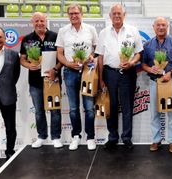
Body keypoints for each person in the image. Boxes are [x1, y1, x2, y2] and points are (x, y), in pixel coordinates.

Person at [95, 4, 143, 150]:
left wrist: (132, 63)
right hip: (109, 74)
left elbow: (138, 53)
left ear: (124, 15)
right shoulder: (103, 33)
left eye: (119, 13)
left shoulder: (133, 31)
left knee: (127, 106)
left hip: (128, 73)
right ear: (110, 16)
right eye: (114, 13)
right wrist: (101, 78)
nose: (116, 16)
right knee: (111, 106)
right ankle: (113, 137)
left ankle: (127, 137)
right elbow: (100, 57)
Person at [56, 4, 98, 151]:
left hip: (88, 71)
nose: (73, 16)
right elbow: (59, 53)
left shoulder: (90, 29)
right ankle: (76, 136)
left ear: (81, 14)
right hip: (69, 71)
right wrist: (68, 63)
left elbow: (96, 49)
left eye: (76, 13)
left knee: (89, 108)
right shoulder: (63, 31)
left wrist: (91, 56)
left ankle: (91, 137)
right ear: (68, 15)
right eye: (71, 13)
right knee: (73, 108)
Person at [142, 17, 172, 153]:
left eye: (163, 25)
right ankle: (156, 140)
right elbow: (143, 64)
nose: (161, 27)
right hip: (155, 82)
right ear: (153, 27)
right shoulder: (148, 45)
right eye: (158, 25)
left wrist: (171, 73)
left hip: (171, 82)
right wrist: (151, 69)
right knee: (155, 113)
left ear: (167, 26)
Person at [20, 12, 63, 149]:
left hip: (53, 80)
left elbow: (62, 58)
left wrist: (55, 70)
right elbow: (22, 59)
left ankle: (56, 137)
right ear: (32, 22)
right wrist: (28, 65)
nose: (39, 23)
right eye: (36, 21)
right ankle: (42, 136)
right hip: (35, 82)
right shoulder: (27, 39)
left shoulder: (56, 36)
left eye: (42, 21)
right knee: (39, 111)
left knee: (55, 110)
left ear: (46, 21)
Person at [0, 27, 20, 169]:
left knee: (10, 128)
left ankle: (9, 153)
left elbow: (16, 75)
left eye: (0, 37)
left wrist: (6, 86)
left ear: (4, 39)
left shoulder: (13, 55)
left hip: (8, 95)